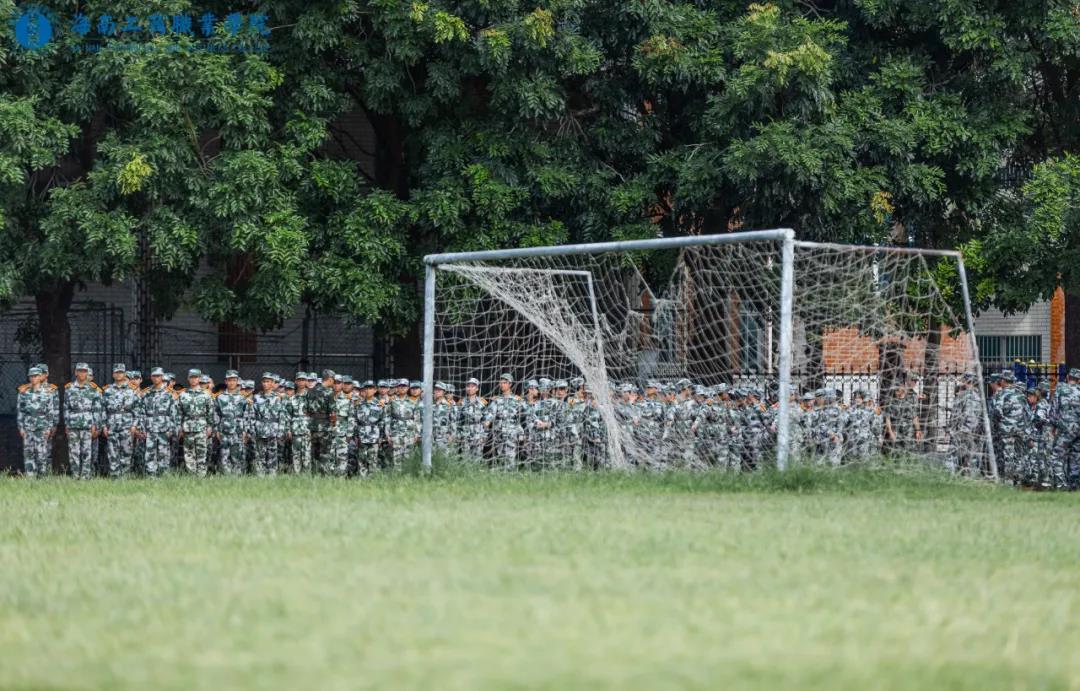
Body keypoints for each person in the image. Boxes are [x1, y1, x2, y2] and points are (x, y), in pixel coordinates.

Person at [17, 366, 58, 477]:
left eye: (35, 376)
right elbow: (20, 412)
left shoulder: (48, 393)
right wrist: (21, 427)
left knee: (41, 454)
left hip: (41, 427)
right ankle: (30, 477)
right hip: (28, 427)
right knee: (28, 453)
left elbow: (50, 412)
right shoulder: (23, 393)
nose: (33, 378)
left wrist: (49, 428)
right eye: (31, 376)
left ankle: (42, 477)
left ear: (40, 377)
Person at [64, 362, 102, 479]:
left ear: (87, 373)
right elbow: (66, 408)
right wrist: (67, 424)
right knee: (73, 452)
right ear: (76, 372)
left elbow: (97, 409)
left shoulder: (93, 389)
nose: (82, 373)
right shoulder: (69, 389)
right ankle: (75, 476)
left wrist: (96, 425)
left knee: (87, 452)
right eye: (80, 371)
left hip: (87, 424)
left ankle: (86, 476)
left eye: (84, 371)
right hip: (73, 424)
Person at [102, 363, 140, 478]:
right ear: (113, 374)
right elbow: (103, 409)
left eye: (121, 372)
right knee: (112, 453)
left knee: (127, 452)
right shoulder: (107, 391)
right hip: (112, 425)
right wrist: (104, 425)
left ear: (124, 374)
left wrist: (134, 425)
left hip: (126, 426)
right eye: (116, 372)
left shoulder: (132, 391)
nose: (118, 374)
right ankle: (114, 477)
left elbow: (137, 410)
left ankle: (125, 477)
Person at [141, 367, 178, 477]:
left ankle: (164, 476)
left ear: (162, 377)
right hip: (150, 428)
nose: (156, 378)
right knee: (150, 453)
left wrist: (171, 429)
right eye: (154, 376)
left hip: (164, 428)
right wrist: (143, 428)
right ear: (151, 377)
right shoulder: (147, 394)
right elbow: (142, 413)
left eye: (158, 376)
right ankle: (151, 476)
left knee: (164, 453)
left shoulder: (169, 394)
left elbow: (173, 413)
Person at [177, 369, 214, 476]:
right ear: (188, 379)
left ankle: (201, 476)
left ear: (199, 379)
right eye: (191, 377)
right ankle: (191, 475)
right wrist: (180, 427)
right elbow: (179, 413)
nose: (193, 380)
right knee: (189, 454)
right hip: (187, 427)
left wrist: (210, 427)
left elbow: (210, 412)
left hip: (201, 427)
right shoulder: (183, 395)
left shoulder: (206, 394)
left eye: (196, 377)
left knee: (202, 452)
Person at [214, 370, 251, 476]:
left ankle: (237, 478)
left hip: (238, 430)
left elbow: (247, 415)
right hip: (224, 430)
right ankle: (226, 477)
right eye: (229, 380)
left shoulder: (243, 398)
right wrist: (217, 430)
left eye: (234, 380)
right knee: (224, 455)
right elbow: (216, 414)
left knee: (237, 455)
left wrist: (245, 430)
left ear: (237, 381)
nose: (231, 382)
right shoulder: (220, 397)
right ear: (226, 381)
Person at [1049, 368, 1080, 490]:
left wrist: (1054, 426)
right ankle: (1075, 485)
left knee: (1056, 455)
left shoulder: (1060, 390)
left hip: (1065, 429)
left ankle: (1061, 484)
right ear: (1079, 380)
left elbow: (1053, 411)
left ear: (1067, 378)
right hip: (1078, 429)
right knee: (1076, 456)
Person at [485, 373, 524, 469]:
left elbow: (524, 416)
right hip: (499, 433)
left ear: (510, 384)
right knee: (500, 456)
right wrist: (487, 421)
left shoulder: (517, 400)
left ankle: (511, 474)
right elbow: (491, 413)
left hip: (511, 433)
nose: (502, 385)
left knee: (510, 457)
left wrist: (521, 432)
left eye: (504, 383)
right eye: (501, 383)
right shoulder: (497, 400)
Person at [251, 372, 284, 475]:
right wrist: (252, 429)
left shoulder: (278, 398)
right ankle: (260, 476)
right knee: (259, 454)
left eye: (268, 381)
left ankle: (272, 476)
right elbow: (252, 414)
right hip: (260, 429)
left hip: (273, 430)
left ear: (273, 383)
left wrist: (281, 431)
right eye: (264, 381)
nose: (265, 384)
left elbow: (282, 415)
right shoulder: (256, 397)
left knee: (272, 454)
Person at [456, 377, 487, 462]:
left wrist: (484, 435)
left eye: (472, 386)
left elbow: (486, 420)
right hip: (465, 435)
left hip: (478, 435)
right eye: (468, 386)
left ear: (477, 388)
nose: (470, 388)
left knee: (477, 459)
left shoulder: (482, 402)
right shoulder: (461, 402)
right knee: (465, 459)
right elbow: (458, 421)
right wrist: (458, 435)